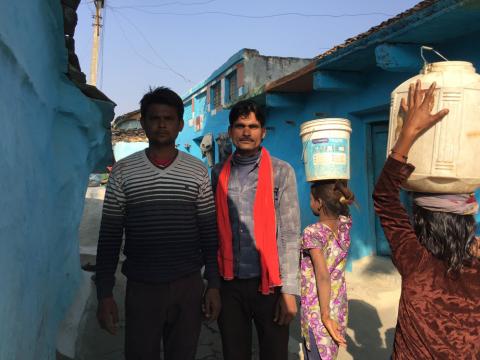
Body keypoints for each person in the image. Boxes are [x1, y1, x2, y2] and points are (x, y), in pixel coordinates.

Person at [95, 87, 221, 360]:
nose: (162, 124)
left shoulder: (197, 171)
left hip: (188, 286)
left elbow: (209, 231)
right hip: (142, 288)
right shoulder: (124, 172)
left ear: (179, 125)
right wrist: (104, 294)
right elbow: (109, 236)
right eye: (154, 118)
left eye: (169, 118)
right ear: (143, 124)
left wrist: (213, 284)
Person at [373, 80, 480, 359]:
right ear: (468, 221)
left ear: (421, 221)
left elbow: (384, 197)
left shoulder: (415, 260)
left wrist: (408, 133)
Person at [211, 100, 301, 360]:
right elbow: (211, 232)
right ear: (230, 132)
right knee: (234, 353)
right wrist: (213, 285)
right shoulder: (217, 173)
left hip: (270, 287)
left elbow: (289, 233)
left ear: (264, 132)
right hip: (230, 285)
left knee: (274, 354)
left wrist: (289, 291)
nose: (246, 132)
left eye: (253, 126)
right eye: (240, 126)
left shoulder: (281, 172)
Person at [300, 180, 354, 360]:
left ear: (320, 203)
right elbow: (347, 209)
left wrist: (324, 315)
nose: (310, 203)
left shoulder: (312, 232)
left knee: (316, 354)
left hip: (319, 312)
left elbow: (322, 275)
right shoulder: (344, 226)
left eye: (311, 199)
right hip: (338, 308)